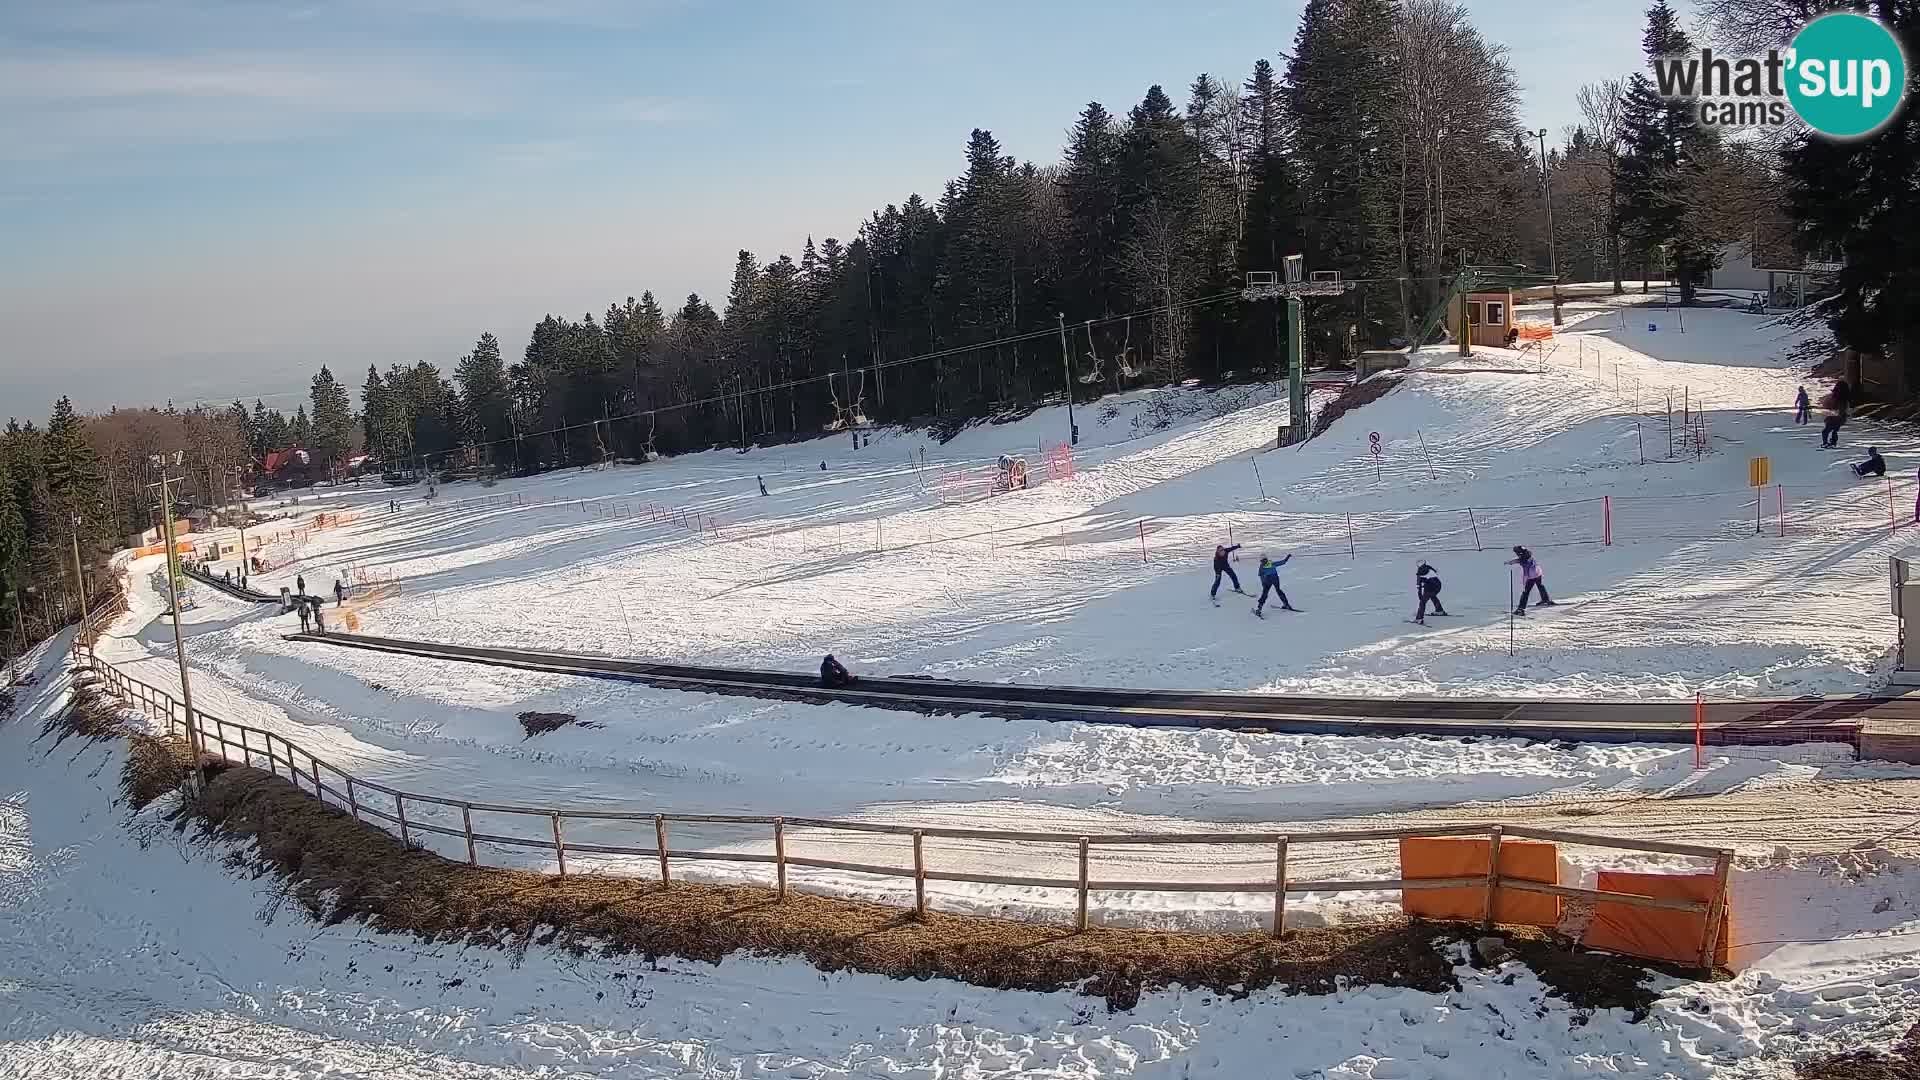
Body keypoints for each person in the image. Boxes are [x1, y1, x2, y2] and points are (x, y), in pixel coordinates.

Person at [1505, 545, 1555, 615]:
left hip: (1532, 576)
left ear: (1519, 553)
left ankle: (1521, 609)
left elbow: (1525, 572)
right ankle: (1546, 599)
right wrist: (1510, 562)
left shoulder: (1524, 560)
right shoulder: (1528, 554)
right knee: (1540, 586)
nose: (1516, 554)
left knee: (1525, 592)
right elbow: (1518, 560)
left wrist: (1524, 583)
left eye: (1516, 552)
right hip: (1538, 573)